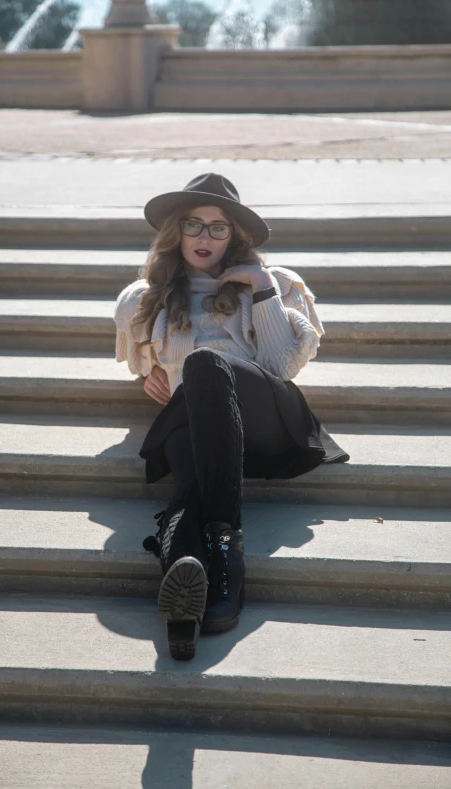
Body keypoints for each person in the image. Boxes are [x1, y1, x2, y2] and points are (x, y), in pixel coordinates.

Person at [113, 173, 350, 661]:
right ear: (175, 232)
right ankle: (201, 586)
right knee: (186, 485)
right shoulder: (144, 298)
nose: (204, 237)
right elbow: (146, 366)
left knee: (204, 362)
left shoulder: (275, 283)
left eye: (218, 228)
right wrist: (149, 376)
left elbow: (282, 368)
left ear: (234, 236)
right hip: (197, 424)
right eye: (194, 225)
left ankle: (217, 546)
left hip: (266, 419)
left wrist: (260, 290)